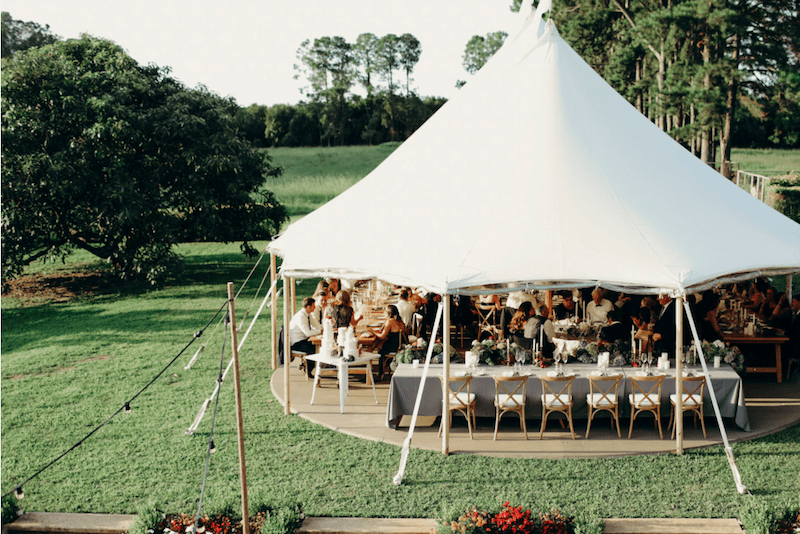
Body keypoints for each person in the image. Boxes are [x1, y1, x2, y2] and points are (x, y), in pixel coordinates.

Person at [289, 297, 323, 376]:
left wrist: (326, 327)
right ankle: (307, 370)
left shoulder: (308, 315)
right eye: (313, 306)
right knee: (313, 349)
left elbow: (316, 325)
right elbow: (307, 333)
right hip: (296, 343)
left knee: (317, 347)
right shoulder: (300, 316)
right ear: (308, 307)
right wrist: (319, 331)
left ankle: (307, 367)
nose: (315, 308)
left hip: (303, 340)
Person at [373, 305, 408, 380]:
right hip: (400, 345)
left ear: (389, 314)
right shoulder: (399, 320)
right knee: (379, 344)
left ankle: (380, 372)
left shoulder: (390, 321)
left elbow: (382, 336)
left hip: (394, 347)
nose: (384, 312)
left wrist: (373, 332)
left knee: (380, 348)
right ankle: (384, 367)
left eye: (385, 311)